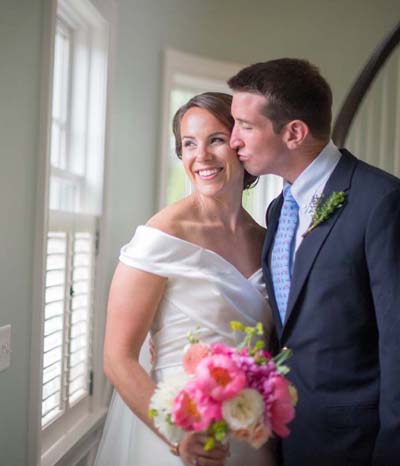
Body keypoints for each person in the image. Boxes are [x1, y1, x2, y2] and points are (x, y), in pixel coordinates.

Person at [227, 58, 400, 466]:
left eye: (246, 126)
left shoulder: (386, 204)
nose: (233, 139)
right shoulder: (278, 210)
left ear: (294, 132)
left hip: (357, 447)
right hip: (286, 439)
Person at [94, 92, 277, 466]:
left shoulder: (267, 240)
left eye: (216, 140)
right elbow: (118, 357)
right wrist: (179, 435)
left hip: (251, 432)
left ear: (240, 144)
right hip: (181, 431)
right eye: (189, 144)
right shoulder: (160, 237)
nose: (202, 156)